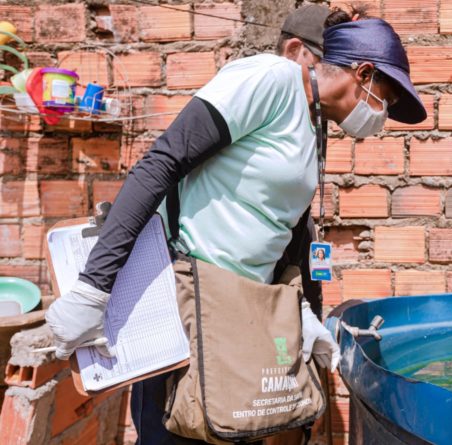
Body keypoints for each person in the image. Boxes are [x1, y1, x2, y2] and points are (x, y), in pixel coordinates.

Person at [44, 5, 426, 445]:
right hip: (190, 308)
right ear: (361, 72)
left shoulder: (312, 123)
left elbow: (287, 233)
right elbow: (161, 164)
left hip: (239, 320)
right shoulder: (272, 79)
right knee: (173, 432)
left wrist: (300, 312)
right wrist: (95, 287)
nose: (382, 115)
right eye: (386, 98)